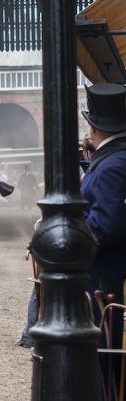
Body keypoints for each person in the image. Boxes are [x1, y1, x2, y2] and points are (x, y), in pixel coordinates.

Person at [79, 84, 126, 323]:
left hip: (105, 273)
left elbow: (105, 223)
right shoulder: (114, 158)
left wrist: (71, 229)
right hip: (108, 269)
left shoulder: (111, 166)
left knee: (103, 349)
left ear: (93, 126)